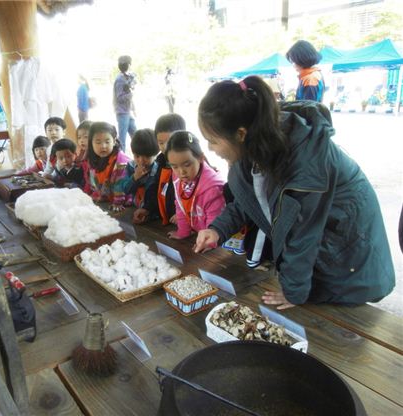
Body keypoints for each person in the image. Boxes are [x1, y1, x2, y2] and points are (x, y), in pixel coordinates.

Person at [195, 76, 395, 308]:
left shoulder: (305, 159)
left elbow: (303, 233)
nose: (210, 149)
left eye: (213, 141)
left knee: (342, 325)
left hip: (345, 253)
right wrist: (218, 229)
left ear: (240, 134)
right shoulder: (255, 144)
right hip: (316, 256)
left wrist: (293, 292)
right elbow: (251, 199)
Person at [166, 131, 225, 244]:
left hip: (212, 240)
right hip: (197, 234)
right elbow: (180, 206)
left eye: (187, 165)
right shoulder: (177, 179)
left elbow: (215, 221)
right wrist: (183, 232)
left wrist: (209, 243)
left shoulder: (212, 188)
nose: (181, 172)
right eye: (174, 166)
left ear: (200, 158)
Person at [83, 121, 132, 211]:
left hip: (121, 201)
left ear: (114, 141)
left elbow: (121, 184)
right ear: (91, 143)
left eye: (107, 141)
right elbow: (90, 181)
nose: (103, 146)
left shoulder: (121, 161)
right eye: (98, 142)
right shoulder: (91, 159)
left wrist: (117, 203)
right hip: (105, 198)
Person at [119, 128, 160, 224]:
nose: (141, 161)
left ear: (155, 154)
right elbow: (126, 190)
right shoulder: (131, 167)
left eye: (146, 156)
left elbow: (157, 197)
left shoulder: (159, 170)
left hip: (154, 211)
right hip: (136, 206)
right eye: (137, 156)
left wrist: (149, 211)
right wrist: (134, 177)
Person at [155, 113, 186, 226]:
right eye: (161, 143)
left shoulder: (189, 163)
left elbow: (196, 194)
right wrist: (148, 208)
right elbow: (155, 188)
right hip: (168, 219)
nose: (164, 147)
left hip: (186, 221)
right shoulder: (160, 162)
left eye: (169, 141)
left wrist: (183, 213)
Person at [113, 55, 137, 150]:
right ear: (128, 65)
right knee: (122, 139)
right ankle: (121, 161)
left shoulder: (126, 77)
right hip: (122, 112)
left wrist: (133, 109)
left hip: (127, 112)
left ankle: (139, 154)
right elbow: (119, 98)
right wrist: (131, 94)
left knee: (135, 135)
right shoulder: (120, 79)